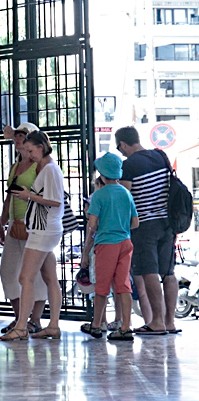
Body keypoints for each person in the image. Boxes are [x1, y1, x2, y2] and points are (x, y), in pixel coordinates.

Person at [0, 130, 64, 341]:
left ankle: (22, 325)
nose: (29, 154)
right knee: (49, 277)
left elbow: (55, 201)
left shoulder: (49, 170)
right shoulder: (46, 169)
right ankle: (52, 324)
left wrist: (29, 196)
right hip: (44, 228)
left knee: (25, 277)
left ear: (41, 146)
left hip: (43, 229)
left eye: (31, 150)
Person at [115, 126, 178, 335]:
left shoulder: (129, 165)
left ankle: (157, 322)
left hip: (144, 226)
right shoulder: (161, 155)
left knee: (149, 271)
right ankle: (170, 322)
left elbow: (125, 198)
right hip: (168, 222)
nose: (120, 151)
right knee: (168, 272)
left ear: (123, 144)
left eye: (119, 147)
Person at [80, 152, 138, 341]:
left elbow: (93, 224)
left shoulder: (99, 195)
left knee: (102, 286)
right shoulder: (126, 193)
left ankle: (96, 325)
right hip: (126, 242)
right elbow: (135, 222)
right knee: (123, 285)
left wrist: (103, 223)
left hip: (106, 244)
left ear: (102, 174)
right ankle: (125, 327)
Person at [0, 122, 47, 334]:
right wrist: (2, 221)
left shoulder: (41, 166)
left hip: (35, 225)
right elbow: (10, 195)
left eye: (23, 135)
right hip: (16, 225)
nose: (18, 139)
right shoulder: (15, 167)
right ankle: (20, 318)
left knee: (35, 275)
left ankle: (34, 319)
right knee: (8, 272)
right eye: (17, 135)